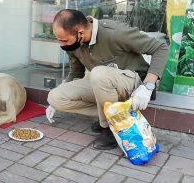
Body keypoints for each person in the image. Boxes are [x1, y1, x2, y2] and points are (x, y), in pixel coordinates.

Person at [45, 9, 168, 150]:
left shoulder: (115, 32)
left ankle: (110, 128)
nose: (61, 45)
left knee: (98, 73)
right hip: (105, 84)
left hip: (135, 83)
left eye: (64, 40)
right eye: (59, 40)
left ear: (80, 33)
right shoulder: (74, 45)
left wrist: (148, 86)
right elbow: (76, 72)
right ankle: (117, 116)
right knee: (55, 96)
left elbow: (160, 48)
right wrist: (58, 96)